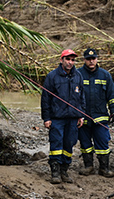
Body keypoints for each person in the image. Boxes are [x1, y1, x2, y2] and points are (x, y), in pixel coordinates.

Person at [40, 49, 85, 184]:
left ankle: (64, 170)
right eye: (68, 59)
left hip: (73, 118)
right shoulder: (52, 76)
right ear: (61, 60)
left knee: (69, 144)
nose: (70, 62)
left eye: (72, 60)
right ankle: (55, 172)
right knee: (56, 144)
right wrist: (46, 118)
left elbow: (82, 97)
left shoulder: (78, 76)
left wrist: (81, 115)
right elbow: (45, 99)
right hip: (57, 118)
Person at [77, 48, 114, 178]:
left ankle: (104, 168)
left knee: (103, 143)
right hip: (83, 117)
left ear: (97, 59)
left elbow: (112, 95)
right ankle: (88, 166)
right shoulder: (77, 74)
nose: (91, 61)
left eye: (93, 58)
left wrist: (113, 111)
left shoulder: (105, 75)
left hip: (100, 117)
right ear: (84, 60)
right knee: (85, 144)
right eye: (88, 59)